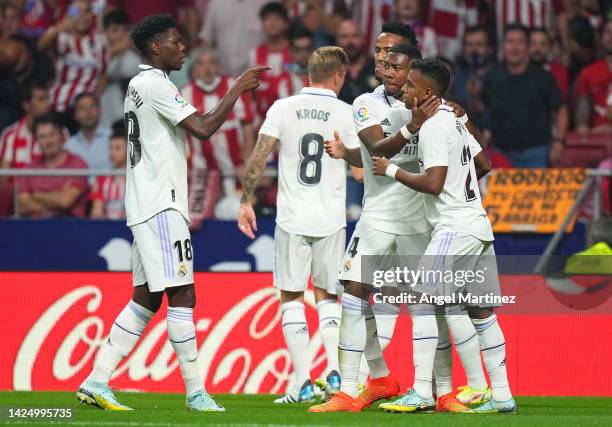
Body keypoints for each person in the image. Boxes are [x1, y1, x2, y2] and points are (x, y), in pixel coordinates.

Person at [76, 13, 267, 412]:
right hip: (162, 204)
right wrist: (235, 90)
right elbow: (202, 127)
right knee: (184, 292)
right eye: (177, 42)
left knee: (145, 298)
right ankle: (196, 392)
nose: (185, 48)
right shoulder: (154, 83)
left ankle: (96, 380)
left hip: (146, 203)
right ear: (156, 48)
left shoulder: (139, 85)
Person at [372, 57, 515, 414]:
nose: (404, 89)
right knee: (480, 311)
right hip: (478, 225)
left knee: (422, 299)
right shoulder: (455, 120)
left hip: (453, 227)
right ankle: (501, 396)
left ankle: (422, 392)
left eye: (410, 86)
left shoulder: (435, 125)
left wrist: (391, 171)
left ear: (428, 93)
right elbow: (484, 165)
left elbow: (434, 184)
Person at [309, 30, 435, 413]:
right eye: (380, 54)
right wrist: (412, 125)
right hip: (378, 217)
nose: (383, 62)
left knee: (426, 306)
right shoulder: (365, 102)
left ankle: (431, 390)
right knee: (353, 291)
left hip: (420, 221)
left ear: (412, 64)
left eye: (391, 56)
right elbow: (376, 148)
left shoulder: (439, 109)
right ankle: (354, 387)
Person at [237, 46, 356, 404]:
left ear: (309, 74)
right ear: (338, 75)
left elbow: (259, 156)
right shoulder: (347, 113)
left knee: (290, 295)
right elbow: (361, 171)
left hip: (291, 218)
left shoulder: (282, 107)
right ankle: (334, 374)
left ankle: (303, 381)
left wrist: (246, 200)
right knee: (329, 296)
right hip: (332, 218)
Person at [181, 47, 255, 226]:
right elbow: (182, 134)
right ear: (194, 68)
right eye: (201, 64)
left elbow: (247, 125)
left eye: (211, 63)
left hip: (234, 169)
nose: (207, 69)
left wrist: (248, 161)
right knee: (196, 222)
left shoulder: (234, 86)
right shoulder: (185, 93)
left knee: (235, 216)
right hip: (201, 171)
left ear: (218, 66)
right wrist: (184, 163)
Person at [481, 24, 567, 167]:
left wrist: (559, 142)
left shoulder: (543, 77)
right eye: (510, 42)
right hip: (500, 155)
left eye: (520, 42)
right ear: (503, 46)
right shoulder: (492, 76)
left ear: (527, 47)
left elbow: (561, 110)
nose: (515, 47)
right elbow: (483, 110)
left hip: (537, 154)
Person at [38, 0, 108, 122]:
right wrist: (60, 27)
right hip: (59, 104)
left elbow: (104, 72)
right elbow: (40, 47)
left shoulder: (99, 39)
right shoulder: (60, 36)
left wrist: (96, 97)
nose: (82, 16)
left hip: (86, 109)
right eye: (77, 12)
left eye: (87, 12)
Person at [17, 113, 89, 218]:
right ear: (37, 141)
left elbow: (65, 201)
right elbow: (22, 204)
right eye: (43, 137)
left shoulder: (77, 165)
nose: (48, 141)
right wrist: (56, 198)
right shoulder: (30, 168)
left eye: (52, 135)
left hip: (70, 227)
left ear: (61, 136)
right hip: (35, 228)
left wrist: (36, 195)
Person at [248, 2, 292, 127]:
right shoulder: (254, 54)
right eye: (267, 19)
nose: (272, 23)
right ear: (262, 24)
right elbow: (251, 91)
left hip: (291, 118)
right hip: (262, 121)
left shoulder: (295, 52)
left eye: (277, 19)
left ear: (286, 24)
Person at [198, 0, 269, 76]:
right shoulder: (216, 4)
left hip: (257, 75)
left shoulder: (264, 2)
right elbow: (206, 40)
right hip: (223, 75)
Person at [100, 9, 142, 128]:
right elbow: (96, 91)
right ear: (104, 32)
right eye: (115, 31)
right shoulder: (97, 54)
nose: (121, 36)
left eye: (125, 31)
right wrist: (114, 52)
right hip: (106, 116)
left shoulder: (136, 55)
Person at [449, 25, 495, 131]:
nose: (474, 50)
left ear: (489, 48)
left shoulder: (498, 75)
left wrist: (481, 107)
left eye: (479, 44)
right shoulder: (455, 74)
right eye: (469, 45)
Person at [1, 83, 52, 177]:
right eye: (41, 99)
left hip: (51, 190)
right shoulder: (10, 135)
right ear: (26, 105)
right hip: (17, 191)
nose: (47, 104)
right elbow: (3, 177)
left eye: (47, 99)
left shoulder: (60, 134)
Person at [575, 19, 612, 134]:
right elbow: (582, 123)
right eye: (608, 32)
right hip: (598, 140)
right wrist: (585, 129)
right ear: (601, 37)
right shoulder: (588, 73)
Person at [65, 93, 113, 170]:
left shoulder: (113, 138)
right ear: (75, 115)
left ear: (99, 110)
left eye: (92, 106)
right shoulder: (68, 146)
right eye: (82, 108)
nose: (88, 112)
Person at [336, 20, 378, 104]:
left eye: (354, 36)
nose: (350, 42)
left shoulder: (378, 68)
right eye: (344, 36)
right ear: (337, 41)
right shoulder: (331, 71)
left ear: (363, 39)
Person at [90, 131, 127, 219]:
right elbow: (96, 212)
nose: (112, 152)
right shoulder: (102, 178)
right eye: (110, 148)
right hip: (108, 228)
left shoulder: (139, 179)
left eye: (118, 148)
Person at [270, 28, 314, 100]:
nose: (303, 54)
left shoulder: (323, 81)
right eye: (298, 50)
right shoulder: (281, 81)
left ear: (313, 50)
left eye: (307, 49)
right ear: (291, 51)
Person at [529, 27, 569, 102]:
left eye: (542, 44)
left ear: (549, 47)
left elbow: (560, 103)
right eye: (533, 43)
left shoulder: (559, 71)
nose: (537, 48)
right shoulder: (517, 70)